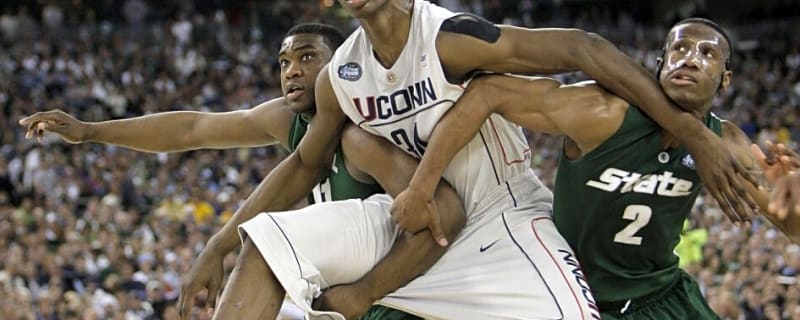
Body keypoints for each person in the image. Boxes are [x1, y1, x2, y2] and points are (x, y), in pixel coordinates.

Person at [210, 1, 758, 320]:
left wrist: (696, 134)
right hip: (414, 221)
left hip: (502, 218)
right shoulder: (340, 75)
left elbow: (581, 49)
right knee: (264, 244)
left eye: (707, 56)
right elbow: (304, 163)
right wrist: (218, 243)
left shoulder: (448, 37)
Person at [19, 23, 466, 320]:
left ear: (344, 65)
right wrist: (91, 131)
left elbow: (439, 219)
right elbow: (194, 127)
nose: (291, 71)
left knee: (262, 250)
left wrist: (367, 291)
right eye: (284, 62)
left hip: (393, 299)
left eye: (308, 58)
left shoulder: (364, 134)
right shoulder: (287, 121)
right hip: (336, 298)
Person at [399, 17, 800, 319]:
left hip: (658, 298)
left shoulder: (727, 144)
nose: (690, 59)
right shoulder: (604, 112)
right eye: (679, 49)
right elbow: (488, 92)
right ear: (660, 62)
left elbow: (791, 227)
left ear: (725, 80)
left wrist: (793, 197)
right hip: (569, 294)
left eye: (707, 54)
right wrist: (421, 186)